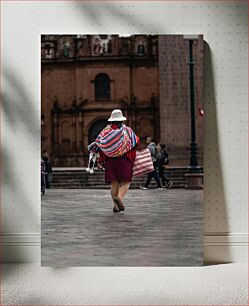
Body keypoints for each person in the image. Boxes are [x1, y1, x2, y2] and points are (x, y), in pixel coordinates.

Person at [88, 109, 140, 213]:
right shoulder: (127, 130)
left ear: (111, 120)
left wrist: (100, 160)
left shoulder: (105, 132)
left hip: (110, 161)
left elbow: (99, 145)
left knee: (114, 183)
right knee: (126, 181)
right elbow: (136, 141)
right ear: (121, 120)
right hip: (124, 159)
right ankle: (119, 198)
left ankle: (115, 206)